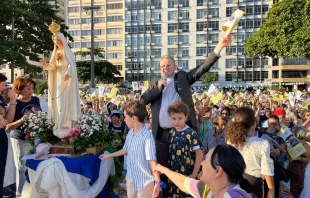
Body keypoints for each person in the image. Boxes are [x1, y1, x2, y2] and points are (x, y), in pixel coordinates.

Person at [142, 35, 231, 171]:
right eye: (162, 66)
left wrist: (219, 47)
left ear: (174, 67)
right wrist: (158, 88)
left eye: (168, 65)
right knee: (161, 168)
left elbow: (203, 68)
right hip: (160, 135)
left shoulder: (183, 78)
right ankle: (163, 191)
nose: (165, 68)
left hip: (180, 132)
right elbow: (143, 100)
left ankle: (180, 191)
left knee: (180, 166)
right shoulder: (155, 83)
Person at [99, 100, 160, 198]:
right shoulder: (131, 132)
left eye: (126, 117)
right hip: (131, 178)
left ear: (134, 118)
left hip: (145, 182)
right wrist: (109, 155)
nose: (124, 120)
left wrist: (157, 181)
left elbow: (152, 162)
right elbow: (125, 149)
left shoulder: (147, 137)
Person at [154, 145, 251, 198]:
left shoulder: (233, 196)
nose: (201, 164)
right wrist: (162, 169)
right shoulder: (207, 190)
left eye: (206, 160)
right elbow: (183, 182)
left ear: (218, 171)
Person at [40, 21, 80, 138]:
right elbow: (52, 66)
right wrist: (45, 65)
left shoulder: (68, 52)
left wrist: (67, 73)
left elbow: (71, 65)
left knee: (65, 102)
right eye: (55, 41)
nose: (56, 43)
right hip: (57, 78)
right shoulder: (56, 52)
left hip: (66, 80)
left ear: (62, 40)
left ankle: (67, 124)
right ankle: (58, 124)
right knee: (57, 102)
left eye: (58, 40)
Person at [226, 107, 275, 198]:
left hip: (233, 183)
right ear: (253, 124)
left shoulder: (230, 142)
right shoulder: (262, 144)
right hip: (253, 184)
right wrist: (271, 189)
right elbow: (266, 169)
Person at [166, 101, 203, 197]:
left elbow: (199, 154)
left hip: (187, 173)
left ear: (186, 117)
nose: (176, 121)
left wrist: (194, 174)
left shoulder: (190, 133)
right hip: (174, 173)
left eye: (180, 118)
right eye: (174, 118)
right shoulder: (171, 132)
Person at [0, 74, 16, 198]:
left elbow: (9, 119)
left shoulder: (0, 98)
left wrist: (13, 101)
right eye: (3, 85)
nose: (4, 88)